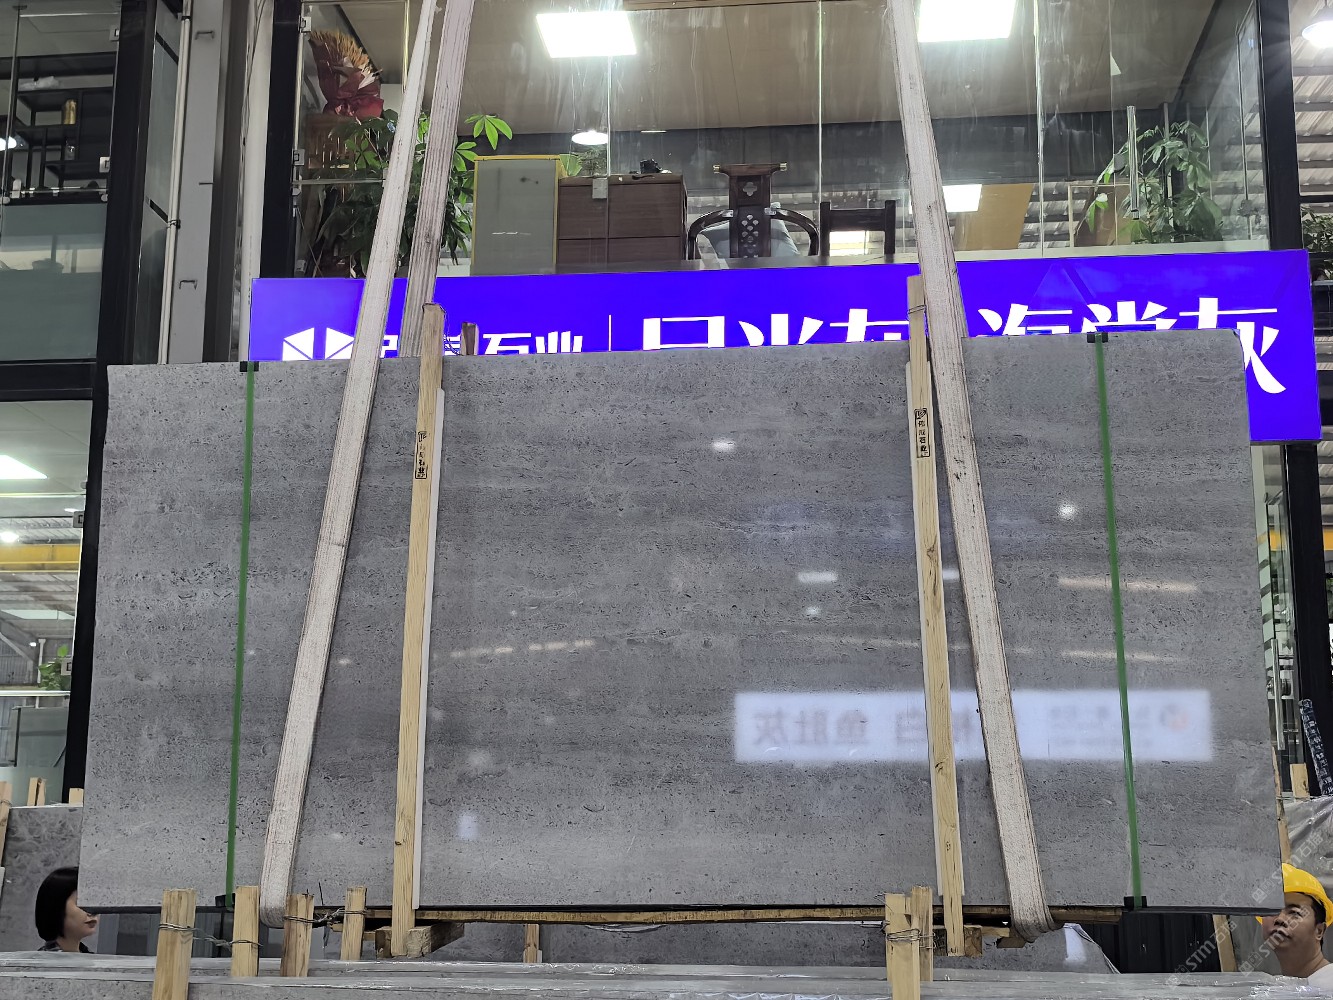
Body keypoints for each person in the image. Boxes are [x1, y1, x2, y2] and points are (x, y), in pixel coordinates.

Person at [1259, 863, 1333, 987]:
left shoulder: (1328, 986)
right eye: (1272, 911)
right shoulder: (1282, 989)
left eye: (1294, 912)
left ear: (1319, 931)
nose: (1279, 919)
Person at [34, 866, 97, 953]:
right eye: (81, 902)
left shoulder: (91, 957)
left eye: (93, 902)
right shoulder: (41, 961)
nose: (92, 912)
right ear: (56, 907)